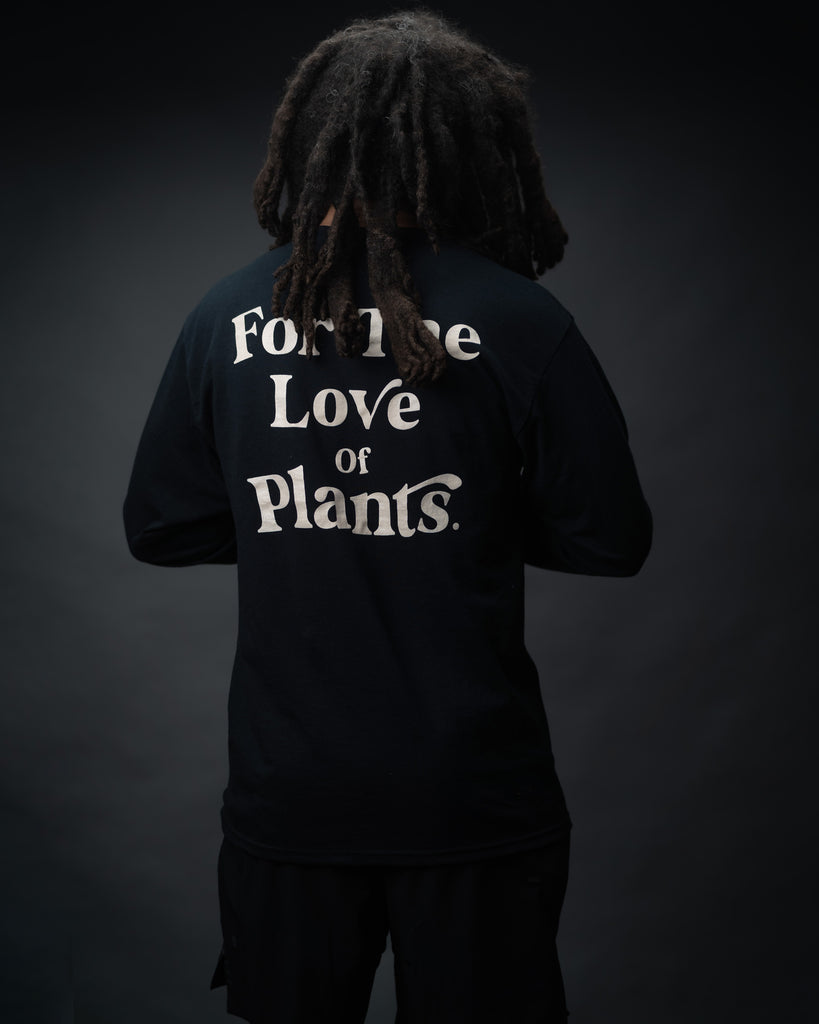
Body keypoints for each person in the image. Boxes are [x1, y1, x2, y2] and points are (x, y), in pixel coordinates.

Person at [123, 10, 653, 1023]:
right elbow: (610, 538)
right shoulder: (520, 319)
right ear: (464, 147)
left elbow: (162, 524)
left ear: (311, 140)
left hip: (291, 801)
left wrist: (303, 522)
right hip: (472, 801)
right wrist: (459, 523)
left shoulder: (225, 318)